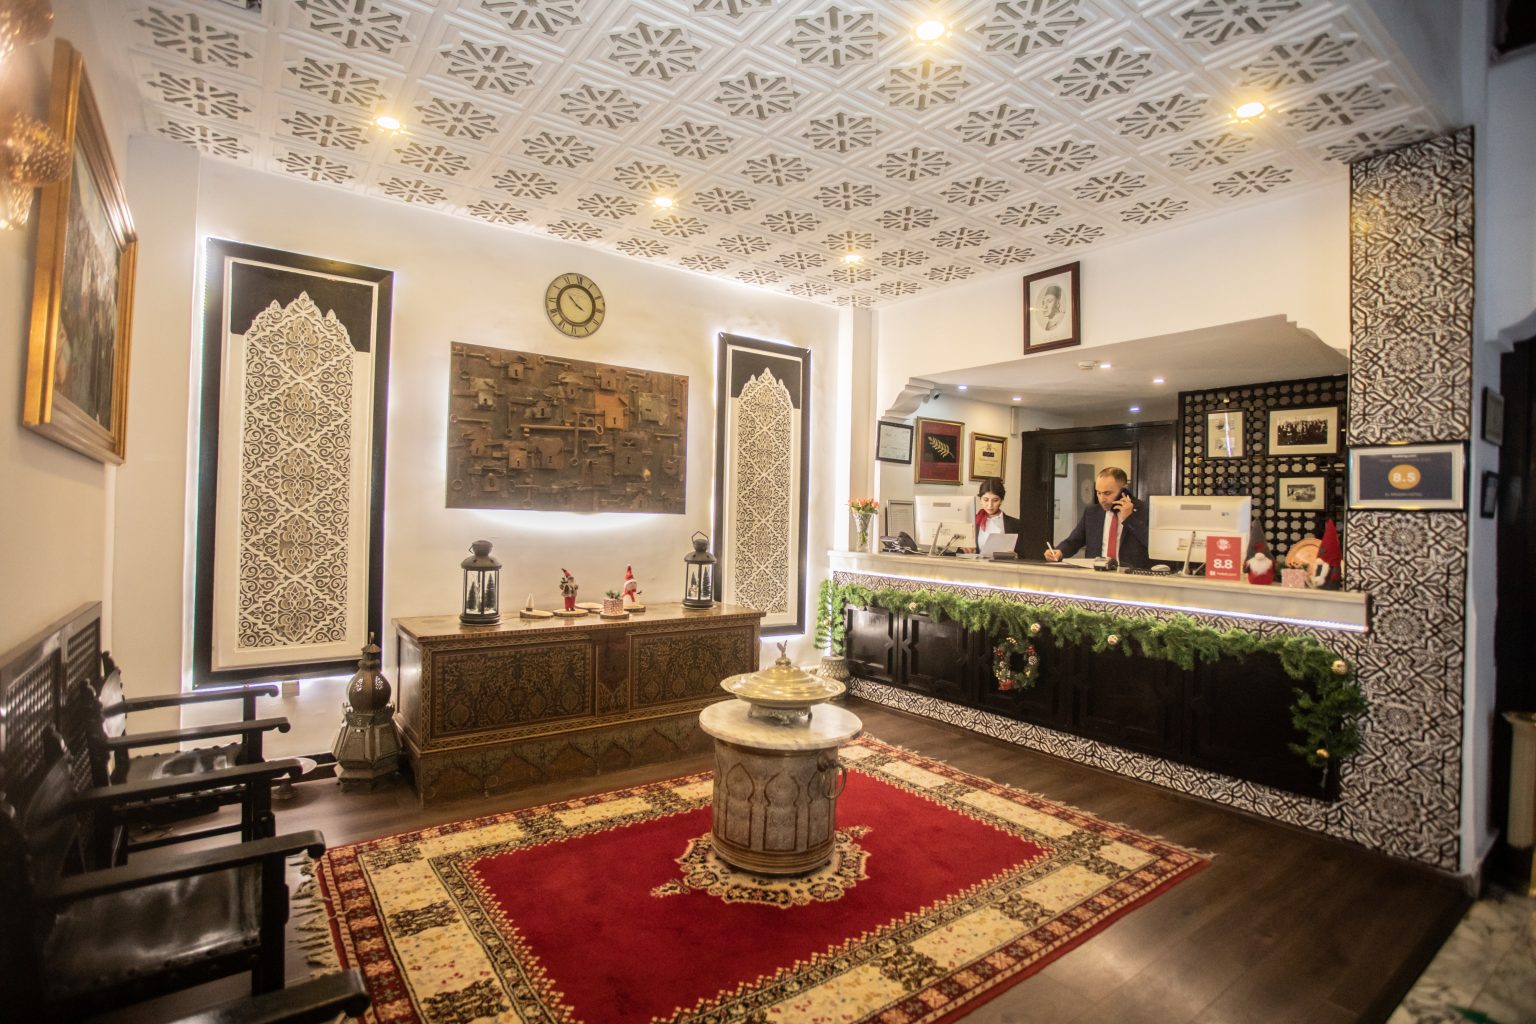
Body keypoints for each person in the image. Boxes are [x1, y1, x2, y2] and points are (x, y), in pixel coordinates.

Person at [1044, 467, 1150, 569]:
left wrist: (1130, 519)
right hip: (1096, 574)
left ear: (1124, 490)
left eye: (1107, 493)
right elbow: (1074, 541)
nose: (1102, 499)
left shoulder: (1144, 510)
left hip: (1130, 576)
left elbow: (1152, 544)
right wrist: (1059, 552)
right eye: (1098, 493)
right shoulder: (1092, 512)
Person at [963, 477, 1028, 557]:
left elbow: (1025, 555)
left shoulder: (1016, 524)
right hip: (978, 564)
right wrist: (966, 550)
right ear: (980, 499)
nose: (990, 505)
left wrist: (1016, 556)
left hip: (1003, 564)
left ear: (1001, 500)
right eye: (986, 500)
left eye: (995, 500)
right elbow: (959, 552)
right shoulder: (971, 522)